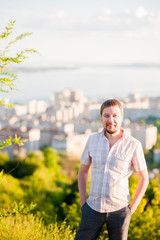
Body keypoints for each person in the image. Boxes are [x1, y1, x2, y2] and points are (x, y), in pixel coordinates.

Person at [75, 99, 149, 240]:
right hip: (92, 208)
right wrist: (83, 202)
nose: (111, 120)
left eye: (115, 115)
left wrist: (130, 209)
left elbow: (144, 178)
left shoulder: (134, 145)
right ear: (101, 118)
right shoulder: (92, 140)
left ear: (121, 117)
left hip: (119, 211)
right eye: (106, 116)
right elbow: (83, 170)